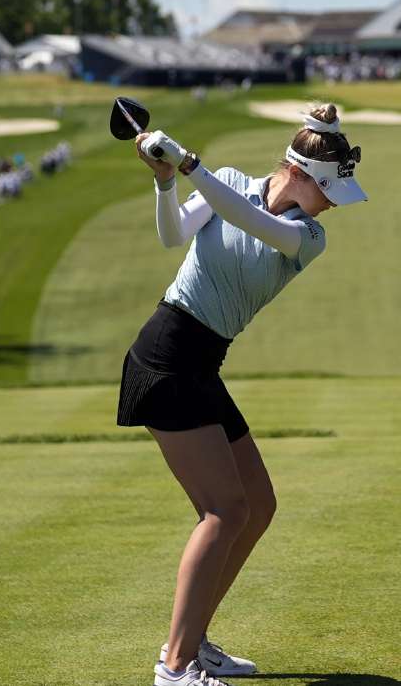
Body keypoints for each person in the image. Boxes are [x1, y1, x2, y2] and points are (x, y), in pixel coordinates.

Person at [118, 103, 366, 686]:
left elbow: (256, 225)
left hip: (203, 364)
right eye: (332, 190)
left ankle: (193, 640)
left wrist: (187, 164)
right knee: (225, 509)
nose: (335, 203)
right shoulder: (228, 181)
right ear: (305, 175)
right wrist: (164, 182)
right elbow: (172, 233)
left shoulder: (308, 236)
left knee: (258, 505)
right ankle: (173, 667)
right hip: (167, 353)